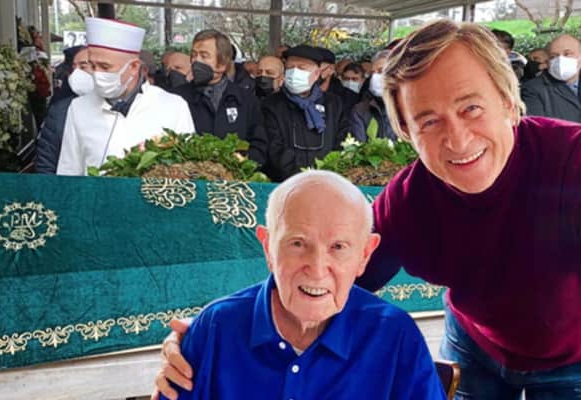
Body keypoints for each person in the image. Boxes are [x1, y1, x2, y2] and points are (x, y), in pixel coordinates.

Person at [154, 19, 581, 400]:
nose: (457, 138)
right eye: (428, 121)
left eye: (471, 108)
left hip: (571, 353)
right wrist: (207, 337)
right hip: (476, 342)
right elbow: (323, 278)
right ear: (406, 132)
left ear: (507, 99)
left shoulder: (572, 163)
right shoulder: (409, 202)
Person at [158, 170, 446, 400]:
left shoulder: (395, 336)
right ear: (268, 247)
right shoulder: (215, 329)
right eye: (298, 244)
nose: (317, 269)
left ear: (365, 255)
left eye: (338, 247)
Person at [56, 18, 194, 176]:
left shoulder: (173, 106)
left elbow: (188, 172)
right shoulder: (79, 107)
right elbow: (69, 171)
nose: (97, 73)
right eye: (93, 66)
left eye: (105, 67)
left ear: (134, 67)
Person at [171, 29, 267, 166]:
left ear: (222, 64)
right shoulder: (177, 98)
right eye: (194, 55)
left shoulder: (246, 99)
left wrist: (239, 164)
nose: (196, 61)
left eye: (204, 56)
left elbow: (259, 145)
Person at [259, 45, 352, 182]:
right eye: (290, 68)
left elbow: (342, 141)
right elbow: (274, 148)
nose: (295, 72)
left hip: (327, 182)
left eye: (302, 68)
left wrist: (328, 172)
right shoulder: (271, 105)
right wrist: (301, 177)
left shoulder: (334, 104)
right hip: (286, 183)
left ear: (316, 74)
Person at [35, 47, 93, 174]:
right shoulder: (60, 111)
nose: (76, 74)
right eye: (73, 68)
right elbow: (46, 161)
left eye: (83, 67)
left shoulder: (119, 109)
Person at [522, 34, 581, 122]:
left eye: (567, 54)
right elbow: (537, 126)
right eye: (553, 56)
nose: (560, 60)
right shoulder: (533, 89)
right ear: (548, 61)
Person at [349, 50, 398, 142]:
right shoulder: (361, 110)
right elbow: (361, 146)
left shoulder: (411, 108)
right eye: (373, 73)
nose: (375, 77)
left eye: (381, 71)